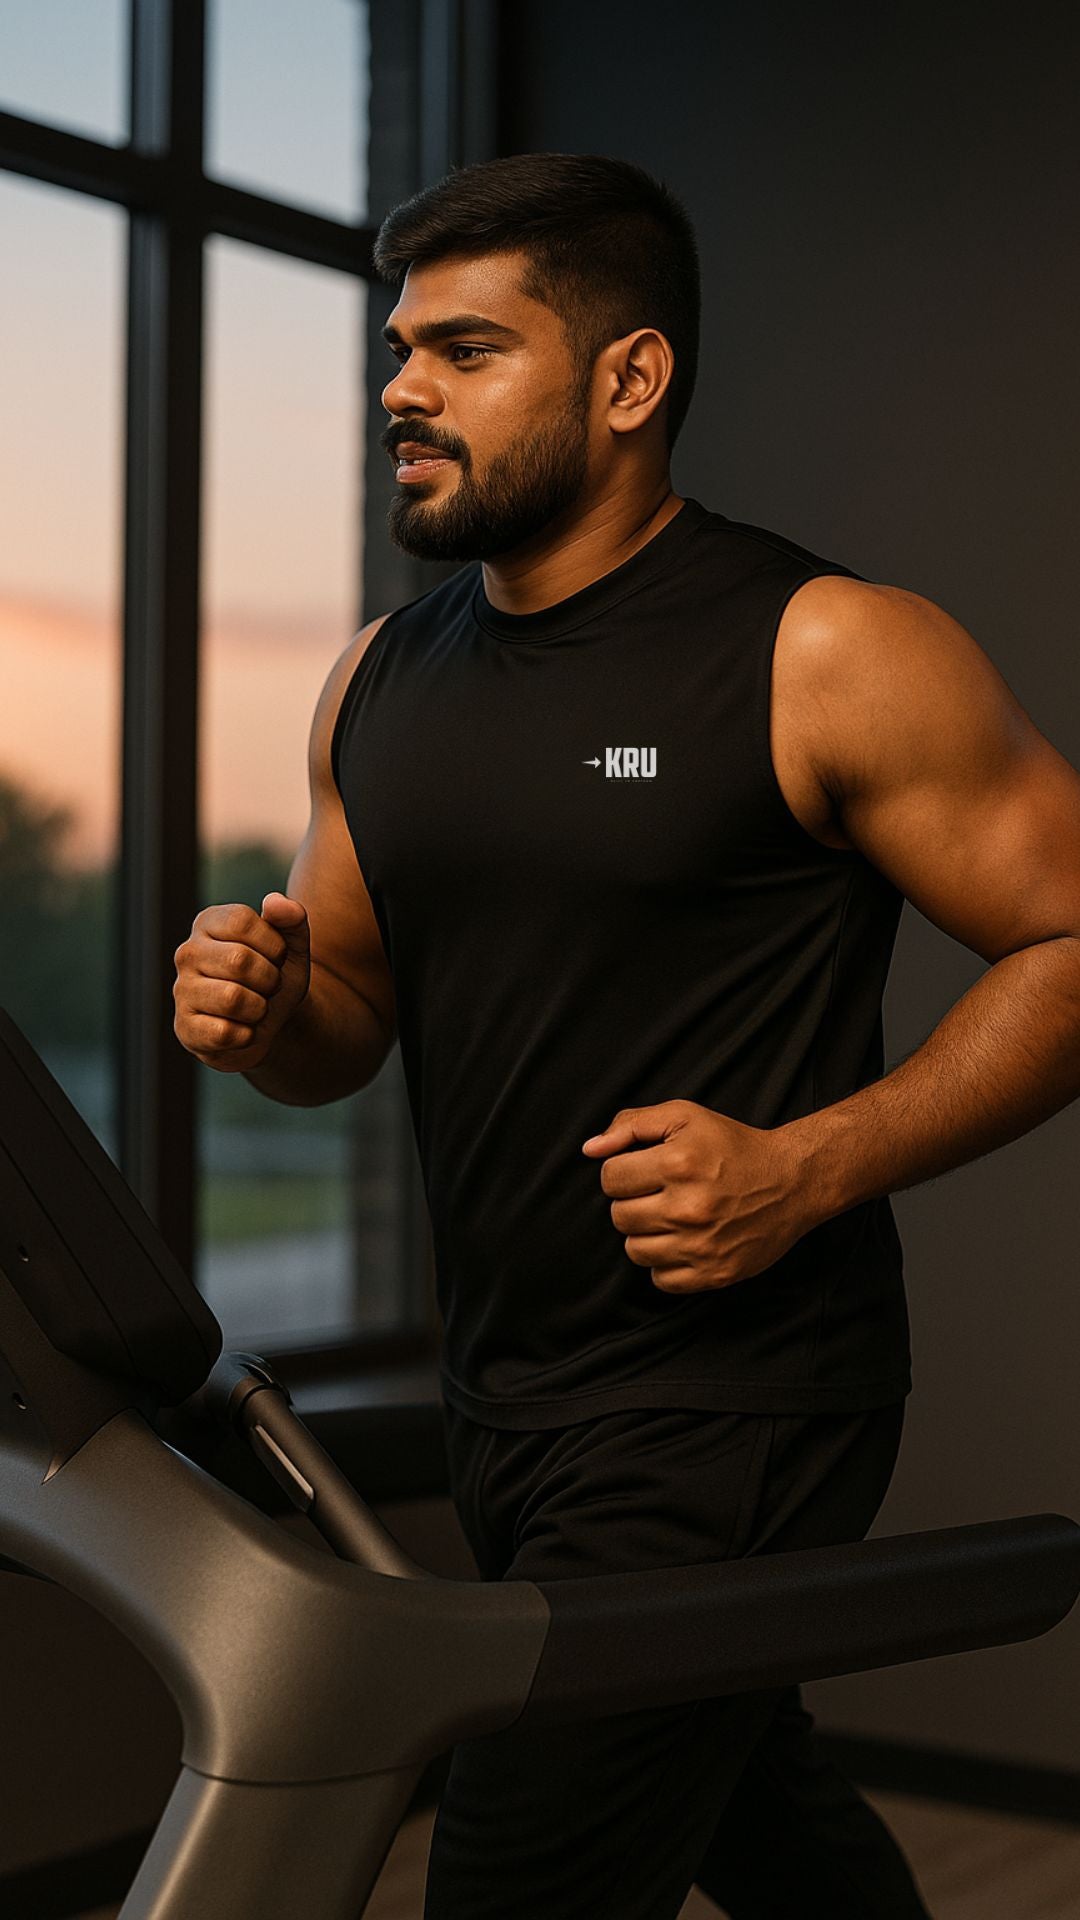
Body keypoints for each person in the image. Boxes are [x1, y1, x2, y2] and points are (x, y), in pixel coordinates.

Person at [172, 153, 1080, 1918]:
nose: (399, 392)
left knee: (522, 1863)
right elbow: (342, 1021)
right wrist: (268, 1013)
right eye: (398, 351)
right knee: (750, 1800)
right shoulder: (380, 676)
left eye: (462, 349)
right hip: (508, 1393)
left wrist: (809, 1164)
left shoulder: (822, 649)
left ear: (628, 380)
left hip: (737, 1397)